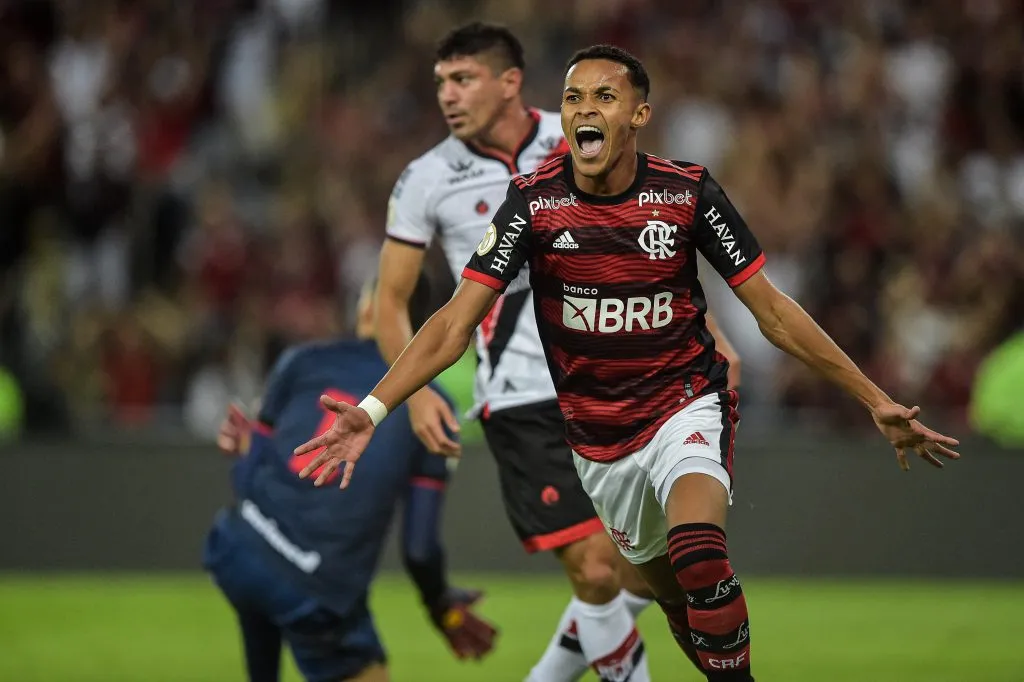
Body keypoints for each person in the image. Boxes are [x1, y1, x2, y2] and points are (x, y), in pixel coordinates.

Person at [294, 44, 960, 682]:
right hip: (598, 443)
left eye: (605, 97)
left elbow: (774, 313)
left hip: (684, 405)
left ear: (638, 114)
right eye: (573, 97)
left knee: (700, 555)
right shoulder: (533, 203)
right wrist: (373, 410)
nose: (586, 108)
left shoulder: (687, 193)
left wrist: (874, 398)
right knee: (673, 599)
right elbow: (452, 324)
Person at [375, 22, 737, 681]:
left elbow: (650, 242)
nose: (447, 95)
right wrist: (418, 395)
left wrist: (709, 334)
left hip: (621, 380)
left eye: (463, 79)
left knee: (639, 569)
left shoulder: (578, 133)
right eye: (441, 83)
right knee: (596, 569)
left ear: (510, 82)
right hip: (520, 395)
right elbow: (389, 302)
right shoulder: (425, 178)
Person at [202, 276, 498, 682]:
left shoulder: (301, 360)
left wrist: (247, 450)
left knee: (264, 594)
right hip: (316, 583)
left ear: (367, 307)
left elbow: (249, 472)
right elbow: (419, 548)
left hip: (237, 547)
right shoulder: (432, 407)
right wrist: (440, 604)